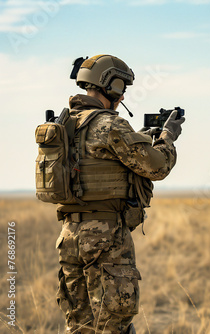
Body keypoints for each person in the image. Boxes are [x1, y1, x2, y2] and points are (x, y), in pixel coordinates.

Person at [54, 54, 184, 333]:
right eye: (122, 88)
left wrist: (140, 137)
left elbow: (101, 158)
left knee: (80, 326)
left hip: (69, 235)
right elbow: (156, 167)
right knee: (113, 324)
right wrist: (167, 137)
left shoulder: (66, 125)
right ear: (110, 85)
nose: (122, 95)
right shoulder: (110, 124)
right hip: (105, 236)